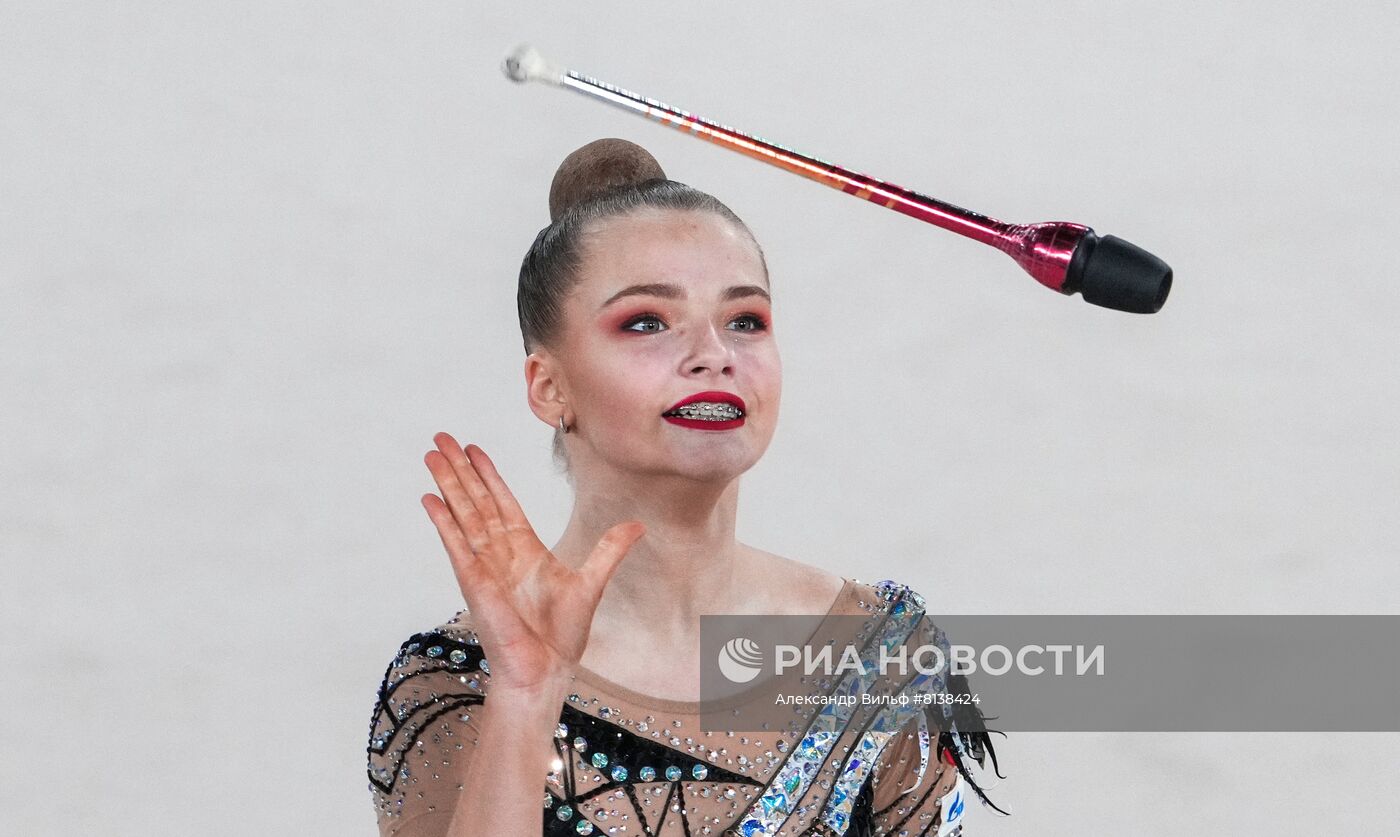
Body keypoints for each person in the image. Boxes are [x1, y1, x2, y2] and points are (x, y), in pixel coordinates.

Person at [365, 138, 1001, 837]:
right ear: (549, 386)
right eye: (646, 321)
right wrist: (526, 693)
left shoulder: (884, 657)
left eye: (745, 320)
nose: (714, 355)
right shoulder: (457, 683)